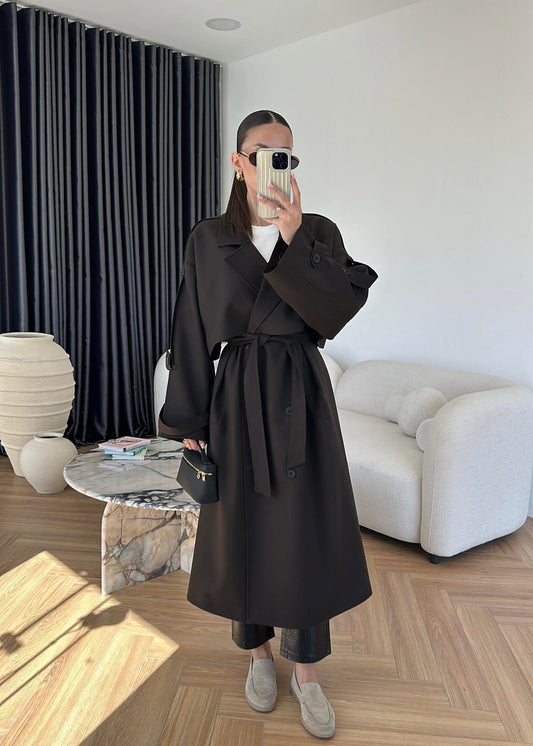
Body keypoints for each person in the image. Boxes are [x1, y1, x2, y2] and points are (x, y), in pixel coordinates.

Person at [159, 110, 378, 739]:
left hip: (301, 391)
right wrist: (191, 414)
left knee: (303, 532)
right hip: (236, 394)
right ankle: (257, 656)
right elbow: (190, 328)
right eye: (263, 153)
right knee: (243, 530)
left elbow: (335, 311)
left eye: (287, 155)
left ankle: (306, 673)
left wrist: (295, 236)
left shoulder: (319, 231)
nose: (276, 164)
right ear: (239, 162)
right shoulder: (209, 237)